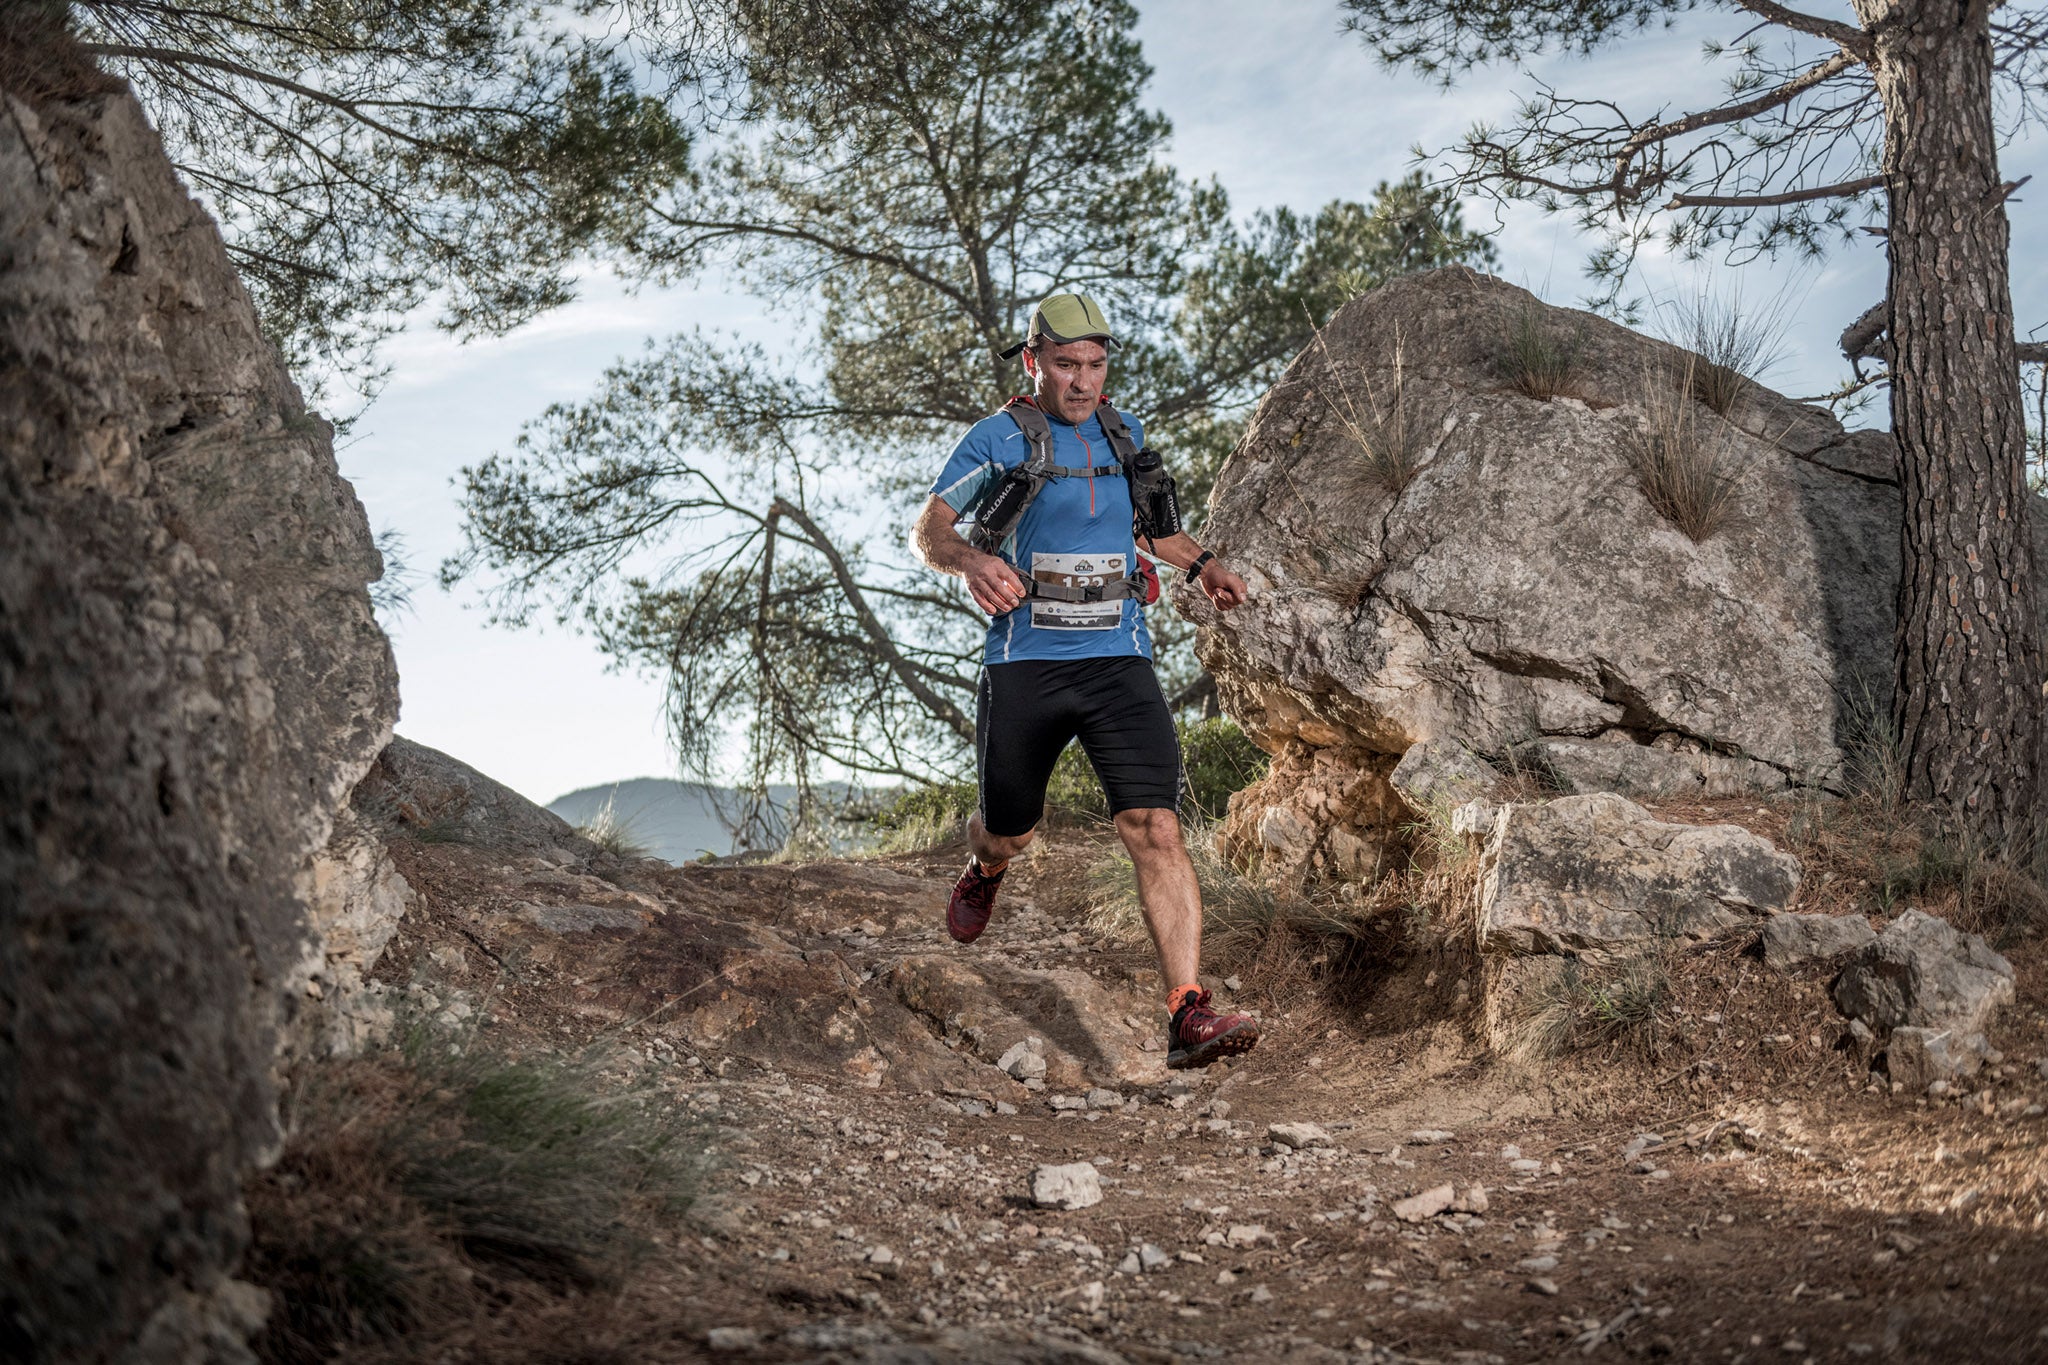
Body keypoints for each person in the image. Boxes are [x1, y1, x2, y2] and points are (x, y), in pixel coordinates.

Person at [910, 291, 1260, 1070]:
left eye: (1096, 365)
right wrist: (971, 560)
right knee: (1011, 828)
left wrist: (1205, 567)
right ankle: (986, 866)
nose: (1082, 380)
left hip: (1118, 660)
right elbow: (930, 528)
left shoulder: (1123, 432)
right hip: (1025, 662)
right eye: (1067, 365)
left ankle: (1186, 1012)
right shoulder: (997, 437)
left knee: (1156, 827)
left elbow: (1158, 528)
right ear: (1034, 361)